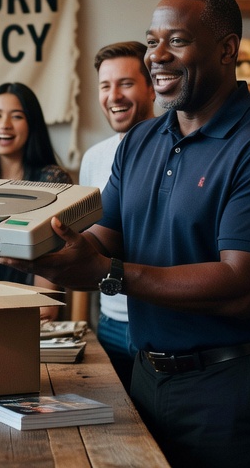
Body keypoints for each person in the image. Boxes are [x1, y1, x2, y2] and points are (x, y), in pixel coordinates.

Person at [0, 0, 250, 467]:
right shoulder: (140, 141)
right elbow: (105, 238)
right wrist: (39, 249)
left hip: (232, 389)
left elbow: (241, 285)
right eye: (152, 41)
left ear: (228, 50)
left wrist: (108, 272)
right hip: (147, 378)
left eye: (178, 41)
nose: (158, 56)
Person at [77, 41, 156, 391]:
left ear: (152, 86)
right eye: (105, 86)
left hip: (159, 324)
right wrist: (82, 326)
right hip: (108, 322)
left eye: (125, 83)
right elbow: (87, 242)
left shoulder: (174, 150)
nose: (114, 96)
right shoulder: (93, 158)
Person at [0, 81, 72, 292]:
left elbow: (53, 255)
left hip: (29, 304)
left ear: (32, 124)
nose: (4, 124)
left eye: (17, 116)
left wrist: (44, 305)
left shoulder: (53, 182)